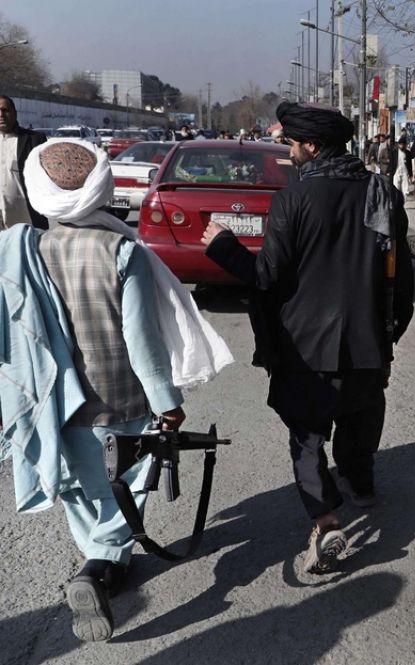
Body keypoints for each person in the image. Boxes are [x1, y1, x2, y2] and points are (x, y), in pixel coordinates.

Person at [1, 139, 232, 642]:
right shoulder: (122, 250)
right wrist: (168, 403)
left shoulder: (24, 252)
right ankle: (98, 566)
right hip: (122, 400)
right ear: (99, 187)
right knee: (131, 482)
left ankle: (107, 565)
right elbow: (142, 343)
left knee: (83, 491)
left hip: (56, 403)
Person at [201, 102, 414, 575]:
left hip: (307, 347)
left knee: (308, 438)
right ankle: (361, 485)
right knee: (361, 416)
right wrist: (393, 328)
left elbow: (267, 277)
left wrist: (222, 244)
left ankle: (326, 519)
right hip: (367, 342)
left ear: (312, 147)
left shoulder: (294, 197)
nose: (290, 153)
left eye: (293, 145)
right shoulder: (382, 192)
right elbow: (400, 273)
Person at [0, 95, 48, 229]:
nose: (1, 115)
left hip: (25, 219)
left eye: (5, 110)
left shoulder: (34, 140)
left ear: (14, 113)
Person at [393, 135, 411, 200]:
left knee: (405, 188)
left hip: (405, 172)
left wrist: (410, 174)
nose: (402, 146)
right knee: (396, 187)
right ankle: (396, 201)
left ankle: (403, 201)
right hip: (396, 172)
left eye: (403, 144)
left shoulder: (408, 153)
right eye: (400, 144)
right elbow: (392, 163)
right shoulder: (394, 153)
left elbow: (410, 164)